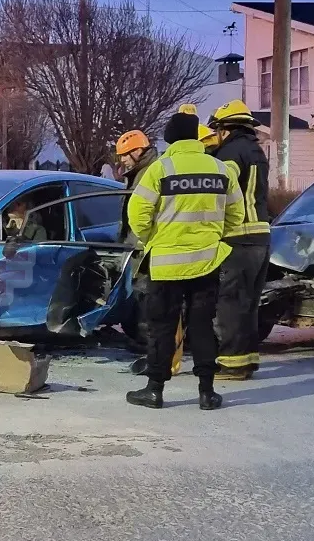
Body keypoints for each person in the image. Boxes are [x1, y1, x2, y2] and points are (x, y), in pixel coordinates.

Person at [125, 112, 245, 410]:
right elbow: (236, 216)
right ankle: (207, 392)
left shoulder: (160, 169)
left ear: (171, 138)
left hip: (165, 264)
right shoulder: (221, 169)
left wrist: (153, 237)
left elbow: (136, 214)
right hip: (206, 262)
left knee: (162, 327)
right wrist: (213, 238)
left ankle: (154, 390)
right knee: (202, 326)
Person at [208, 100, 271, 380]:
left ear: (224, 129)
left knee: (230, 303)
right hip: (261, 237)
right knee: (249, 304)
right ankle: (248, 359)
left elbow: (223, 195)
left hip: (237, 238)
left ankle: (232, 364)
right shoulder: (256, 150)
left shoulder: (229, 155)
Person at [115, 131, 184, 378]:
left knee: (155, 307)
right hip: (142, 248)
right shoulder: (140, 173)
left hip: (150, 249)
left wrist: (142, 242)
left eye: (124, 155)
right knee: (147, 304)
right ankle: (155, 354)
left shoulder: (151, 172)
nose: (122, 160)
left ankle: (158, 359)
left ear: (137, 151)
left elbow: (144, 215)